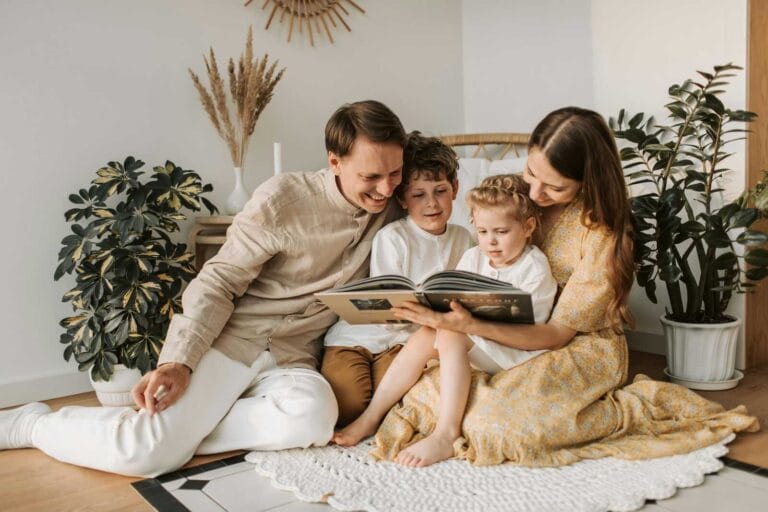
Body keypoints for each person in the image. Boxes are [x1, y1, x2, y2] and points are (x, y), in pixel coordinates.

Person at [0, 100, 407, 477]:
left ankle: (179, 434)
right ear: (334, 162)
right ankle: (32, 423)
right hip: (233, 341)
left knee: (313, 419)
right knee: (145, 456)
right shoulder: (282, 200)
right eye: (370, 176)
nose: (386, 189)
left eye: (395, 174)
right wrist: (178, 361)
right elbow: (218, 281)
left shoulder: (394, 205)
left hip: (294, 357)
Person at [371, 106, 758, 468]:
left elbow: (557, 334)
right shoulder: (519, 199)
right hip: (502, 331)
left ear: (587, 181)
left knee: (499, 428)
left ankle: (612, 408)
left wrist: (469, 326)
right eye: (530, 174)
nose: (535, 194)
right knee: (431, 390)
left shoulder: (603, 236)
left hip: (572, 344)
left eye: (553, 187)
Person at [333, 175, 557, 466]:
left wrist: (462, 324)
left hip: (513, 351)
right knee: (428, 331)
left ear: (527, 227)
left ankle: (446, 433)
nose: (491, 241)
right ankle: (371, 416)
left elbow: (530, 329)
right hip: (479, 343)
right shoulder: (474, 256)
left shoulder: (534, 267)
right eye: (483, 231)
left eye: (501, 232)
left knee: (450, 332)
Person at [321, 132, 474, 428]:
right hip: (359, 337)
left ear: (454, 189)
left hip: (406, 343)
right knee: (348, 403)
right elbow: (386, 305)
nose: (432, 203)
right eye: (418, 194)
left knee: (395, 400)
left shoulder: (463, 239)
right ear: (403, 198)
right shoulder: (393, 238)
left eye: (440, 191)